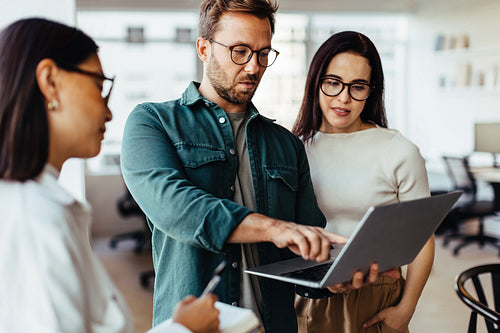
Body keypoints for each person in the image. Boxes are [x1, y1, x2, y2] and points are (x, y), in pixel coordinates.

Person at [119, 1, 395, 332]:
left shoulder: (287, 144)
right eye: (240, 51)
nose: (254, 67)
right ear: (203, 48)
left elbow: (304, 249)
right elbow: (177, 208)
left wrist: (330, 277)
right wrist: (274, 228)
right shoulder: (152, 122)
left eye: (263, 54)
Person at [0, 17, 219, 333]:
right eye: (98, 87)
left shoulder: (34, 206)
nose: (108, 112)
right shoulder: (34, 220)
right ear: (49, 80)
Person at [292, 31, 435, 333]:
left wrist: (405, 311)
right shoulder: (294, 148)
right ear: (315, 82)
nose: (343, 98)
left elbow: (422, 239)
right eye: (333, 83)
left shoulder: (398, 150)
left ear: (371, 91)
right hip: (309, 291)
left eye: (357, 87)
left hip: (375, 294)